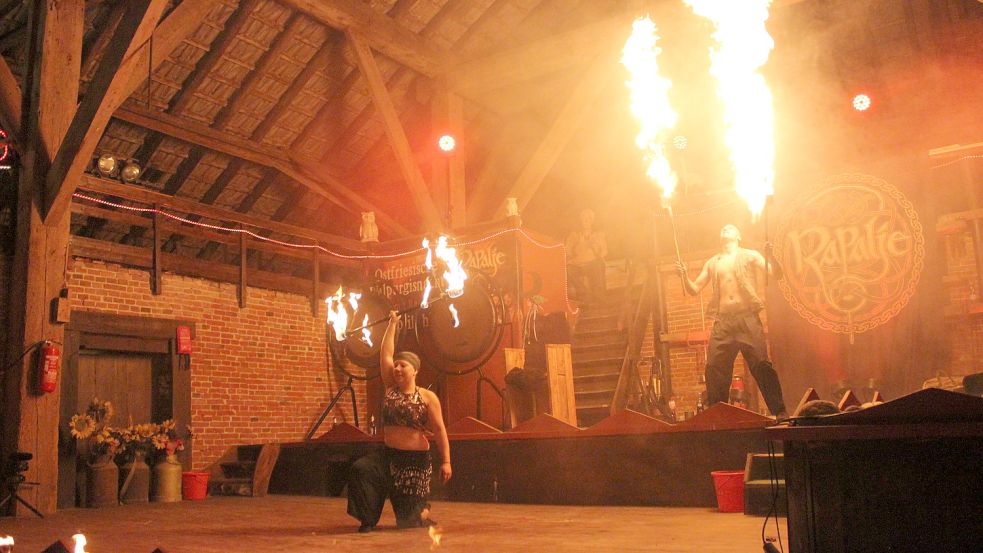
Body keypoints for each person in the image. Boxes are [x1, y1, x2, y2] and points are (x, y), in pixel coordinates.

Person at [347, 311, 452, 532]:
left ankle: (420, 510)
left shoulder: (427, 397)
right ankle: (368, 519)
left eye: (403, 365)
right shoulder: (390, 388)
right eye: (396, 365)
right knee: (361, 469)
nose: (397, 369)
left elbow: (440, 430)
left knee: (408, 522)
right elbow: (385, 354)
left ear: (415, 370)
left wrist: (446, 461)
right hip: (388, 456)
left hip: (415, 462)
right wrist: (392, 324)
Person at [676, 224, 788, 418]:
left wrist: (772, 256)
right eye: (723, 228)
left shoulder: (750, 255)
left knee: (761, 364)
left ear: (739, 236)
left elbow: (776, 274)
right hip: (723, 323)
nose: (725, 228)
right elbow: (694, 289)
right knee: (713, 368)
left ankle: (780, 412)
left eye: (730, 227)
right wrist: (684, 276)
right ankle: (717, 416)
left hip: (747, 319)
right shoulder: (713, 262)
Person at [565, 208, 607, 305]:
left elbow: (604, 252)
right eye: (584, 218)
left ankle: (599, 296)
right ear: (580, 221)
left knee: (599, 264)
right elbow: (569, 251)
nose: (586, 221)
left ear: (592, 221)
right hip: (578, 265)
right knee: (569, 269)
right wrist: (584, 245)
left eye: (588, 218)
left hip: (592, 264)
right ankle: (585, 295)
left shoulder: (598, 235)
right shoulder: (574, 235)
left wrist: (595, 245)